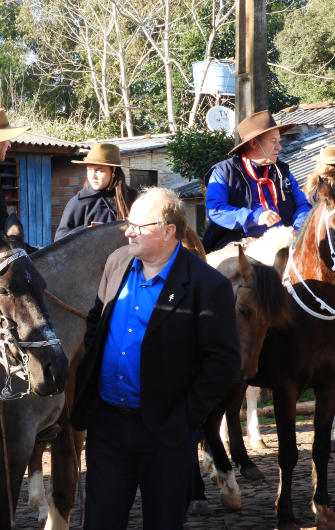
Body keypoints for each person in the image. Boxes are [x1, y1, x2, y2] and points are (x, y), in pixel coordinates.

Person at [70, 187, 241, 530]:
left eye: (139, 225)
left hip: (166, 433)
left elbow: (223, 364)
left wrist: (184, 418)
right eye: (128, 223)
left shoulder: (208, 285)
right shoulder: (117, 262)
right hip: (107, 427)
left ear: (168, 231)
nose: (128, 231)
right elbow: (96, 322)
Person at [203, 110, 311, 253]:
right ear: (254, 143)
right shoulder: (224, 172)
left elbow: (302, 204)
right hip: (239, 242)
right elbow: (215, 209)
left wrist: (298, 229)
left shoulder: (282, 170)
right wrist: (254, 216)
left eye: (279, 141)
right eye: (273, 141)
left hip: (285, 238)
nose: (279, 147)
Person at [55, 142, 137, 241]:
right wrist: (85, 231)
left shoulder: (134, 199)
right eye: (89, 169)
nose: (93, 176)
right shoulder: (79, 202)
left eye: (99, 170)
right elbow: (59, 241)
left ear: (113, 170)